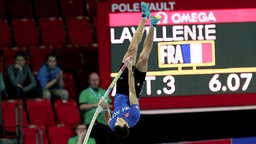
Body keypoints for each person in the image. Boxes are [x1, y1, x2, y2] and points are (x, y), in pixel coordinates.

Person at [99, 2, 161, 139]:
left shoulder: (114, 125)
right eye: (121, 122)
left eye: (116, 122)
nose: (118, 120)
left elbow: (107, 119)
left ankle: (144, 17)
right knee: (143, 58)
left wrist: (104, 107)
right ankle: (153, 25)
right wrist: (129, 69)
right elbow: (132, 90)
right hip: (133, 90)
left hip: (121, 89)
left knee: (132, 49)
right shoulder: (134, 116)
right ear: (127, 125)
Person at [79, 72, 114, 144]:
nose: (95, 82)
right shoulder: (84, 93)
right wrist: (97, 105)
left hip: (104, 123)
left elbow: (111, 105)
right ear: (89, 81)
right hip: (91, 123)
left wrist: (104, 106)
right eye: (93, 80)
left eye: (96, 80)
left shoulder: (104, 92)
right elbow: (82, 106)